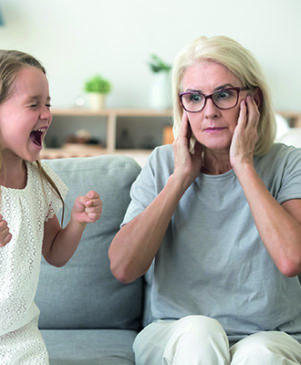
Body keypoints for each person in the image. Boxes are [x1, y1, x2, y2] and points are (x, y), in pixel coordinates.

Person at [109, 35, 301, 364]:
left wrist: (243, 166)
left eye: (224, 94)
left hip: (272, 335)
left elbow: (291, 260)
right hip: (175, 332)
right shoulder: (161, 164)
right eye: (194, 98)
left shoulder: (288, 163)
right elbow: (124, 268)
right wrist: (180, 177)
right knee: (201, 332)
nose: (209, 112)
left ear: (253, 99)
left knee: (261, 355)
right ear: (181, 105)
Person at [0, 50, 102, 365]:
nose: (46, 114)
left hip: (22, 343)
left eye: (48, 103)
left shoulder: (40, 180)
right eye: (33, 104)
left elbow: (55, 253)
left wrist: (78, 222)